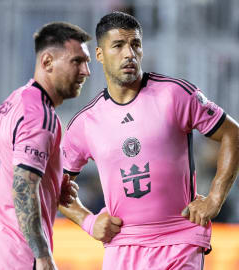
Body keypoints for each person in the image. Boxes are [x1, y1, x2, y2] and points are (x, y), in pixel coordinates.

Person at [61, 11, 239, 269]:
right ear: (99, 55)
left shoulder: (174, 95)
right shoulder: (86, 123)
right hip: (121, 245)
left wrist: (215, 197)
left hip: (179, 240)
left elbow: (232, 134)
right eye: (118, 46)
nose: (129, 54)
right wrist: (87, 221)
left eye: (135, 44)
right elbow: (54, 184)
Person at [0, 22, 121, 270]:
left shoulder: (14, 102)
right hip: (14, 259)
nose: (86, 71)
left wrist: (52, 186)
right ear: (47, 62)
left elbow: (13, 176)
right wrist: (43, 255)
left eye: (87, 62)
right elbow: (23, 188)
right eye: (77, 62)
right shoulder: (40, 115)